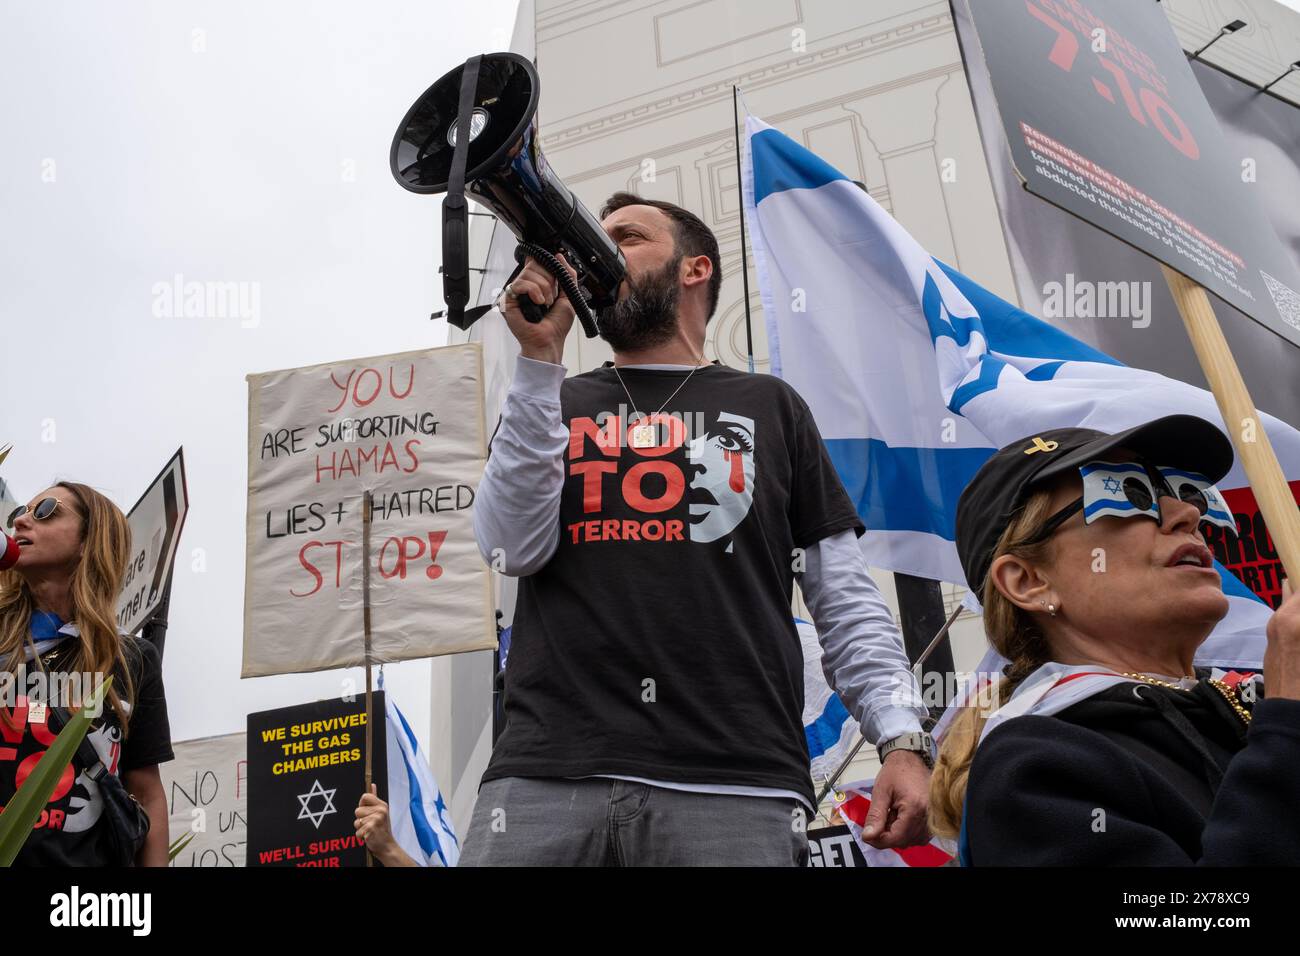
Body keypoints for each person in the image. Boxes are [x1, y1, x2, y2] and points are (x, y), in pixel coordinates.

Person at [460, 192, 931, 866]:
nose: (600, 250)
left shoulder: (772, 406)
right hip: (544, 779)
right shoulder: (554, 398)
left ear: (694, 269)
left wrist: (901, 738)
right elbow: (509, 548)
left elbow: (845, 599)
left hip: (735, 787)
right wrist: (538, 364)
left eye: (626, 237)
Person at [928, 416, 1300, 865]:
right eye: (1125, 493)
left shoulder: (1253, 711)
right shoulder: (1034, 770)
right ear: (1029, 581)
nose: (1187, 515)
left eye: (1187, 492)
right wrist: (1286, 733)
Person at [1, 482, 173, 866]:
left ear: (87, 541)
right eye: (18, 515)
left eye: (46, 510)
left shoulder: (133, 660)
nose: (23, 521)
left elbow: (146, 792)